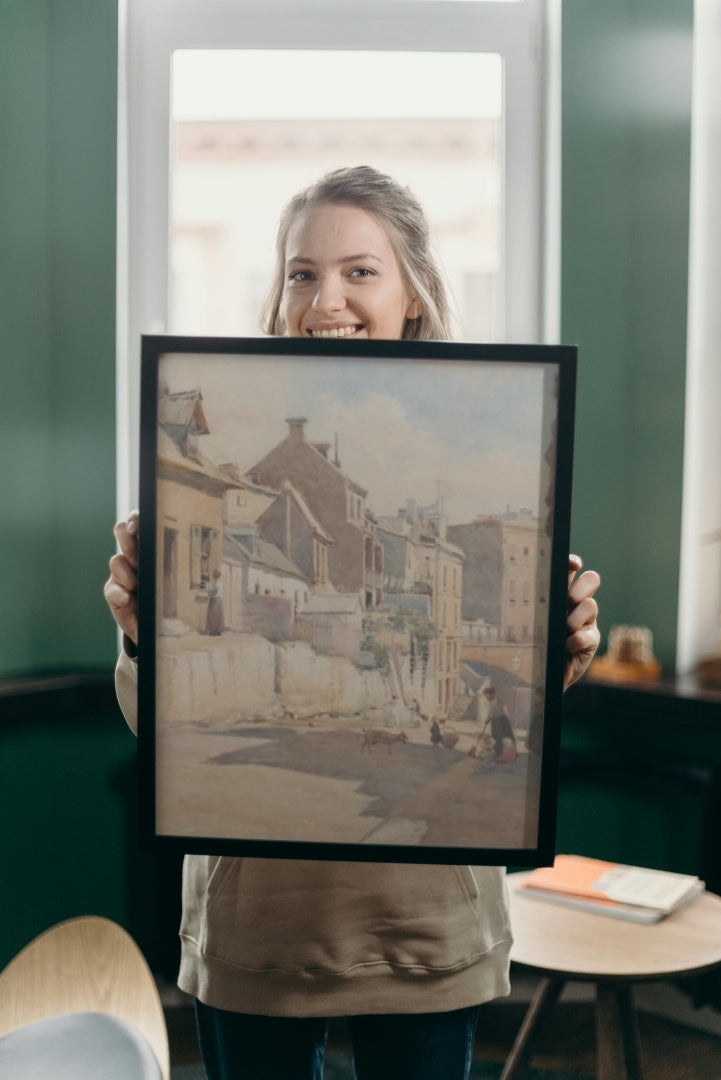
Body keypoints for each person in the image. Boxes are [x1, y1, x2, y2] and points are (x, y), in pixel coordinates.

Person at [105, 166, 601, 1080]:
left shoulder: (500, 415)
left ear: (413, 292)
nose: (324, 297)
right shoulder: (224, 436)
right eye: (301, 272)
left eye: (358, 272)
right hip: (256, 928)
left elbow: (529, 726)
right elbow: (160, 731)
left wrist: (562, 651)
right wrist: (140, 636)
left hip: (425, 926)